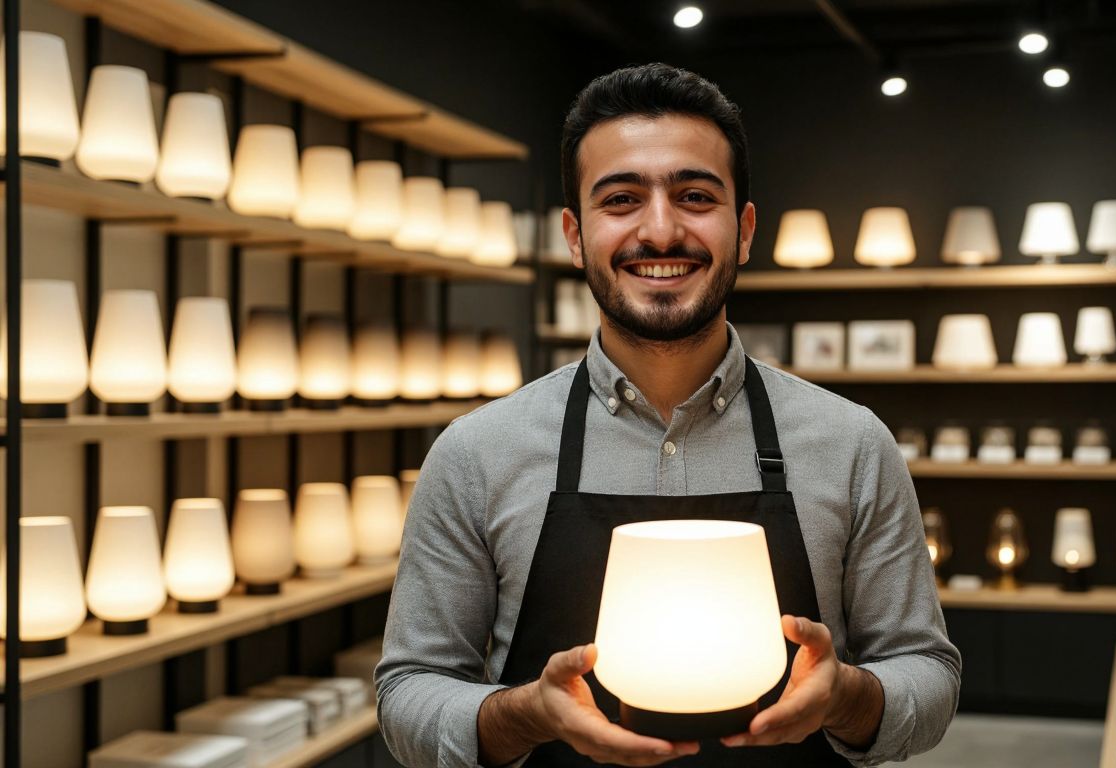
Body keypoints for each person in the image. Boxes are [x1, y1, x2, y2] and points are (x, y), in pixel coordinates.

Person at [376, 62, 961, 768]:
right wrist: (525, 714)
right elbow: (407, 693)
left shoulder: (851, 444)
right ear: (573, 235)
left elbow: (926, 672)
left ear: (744, 230)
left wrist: (846, 697)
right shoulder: (477, 453)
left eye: (694, 195)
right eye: (621, 198)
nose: (660, 231)